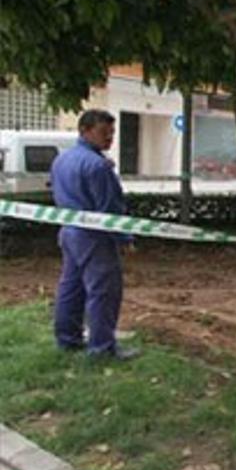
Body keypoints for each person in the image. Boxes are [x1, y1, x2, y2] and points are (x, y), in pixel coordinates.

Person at [51, 109, 139, 360]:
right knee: (104, 291)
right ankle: (102, 348)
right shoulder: (98, 166)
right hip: (94, 236)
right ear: (85, 130)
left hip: (68, 231)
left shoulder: (62, 160)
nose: (110, 138)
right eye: (104, 132)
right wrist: (124, 238)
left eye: (112, 133)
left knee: (71, 286)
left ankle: (67, 339)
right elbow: (110, 208)